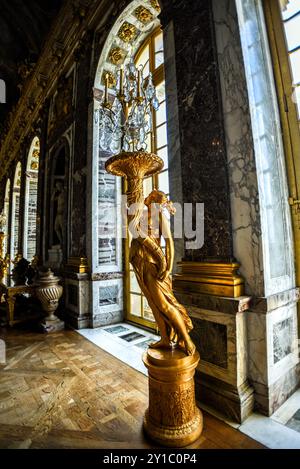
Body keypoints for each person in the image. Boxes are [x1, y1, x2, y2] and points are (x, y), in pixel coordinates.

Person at [129, 189, 195, 356]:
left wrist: (168, 268)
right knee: (153, 303)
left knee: (165, 304)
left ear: (154, 201)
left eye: (150, 197)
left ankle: (187, 340)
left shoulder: (160, 217)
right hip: (140, 263)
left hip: (154, 266)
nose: (146, 198)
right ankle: (165, 338)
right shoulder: (141, 215)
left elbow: (169, 243)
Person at [53, 181, 64, 247]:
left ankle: (64, 242)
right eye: (57, 187)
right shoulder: (60, 195)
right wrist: (54, 192)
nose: (57, 188)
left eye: (58, 186)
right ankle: (61, 241)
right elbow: (52, 200)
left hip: (62, 213)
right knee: (56, 228)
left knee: (62, 228)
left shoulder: (64, 194)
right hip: (58, 213)